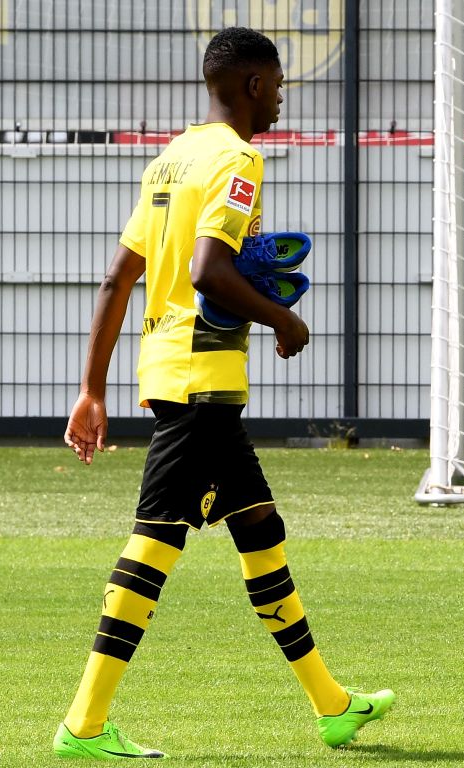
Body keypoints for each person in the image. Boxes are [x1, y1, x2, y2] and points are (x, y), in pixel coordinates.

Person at [53, 27, 394, 760]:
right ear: (250, 84)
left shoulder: (172, 157)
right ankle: (82, 725)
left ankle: (332, 706)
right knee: (154, 542)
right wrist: (281, 316)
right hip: (201, 382)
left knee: (260, 532)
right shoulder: (239, 158)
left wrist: (92, 390)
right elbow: (209, 271)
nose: (278, 99)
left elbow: (119, 278)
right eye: (275, 86)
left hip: (175, 376)